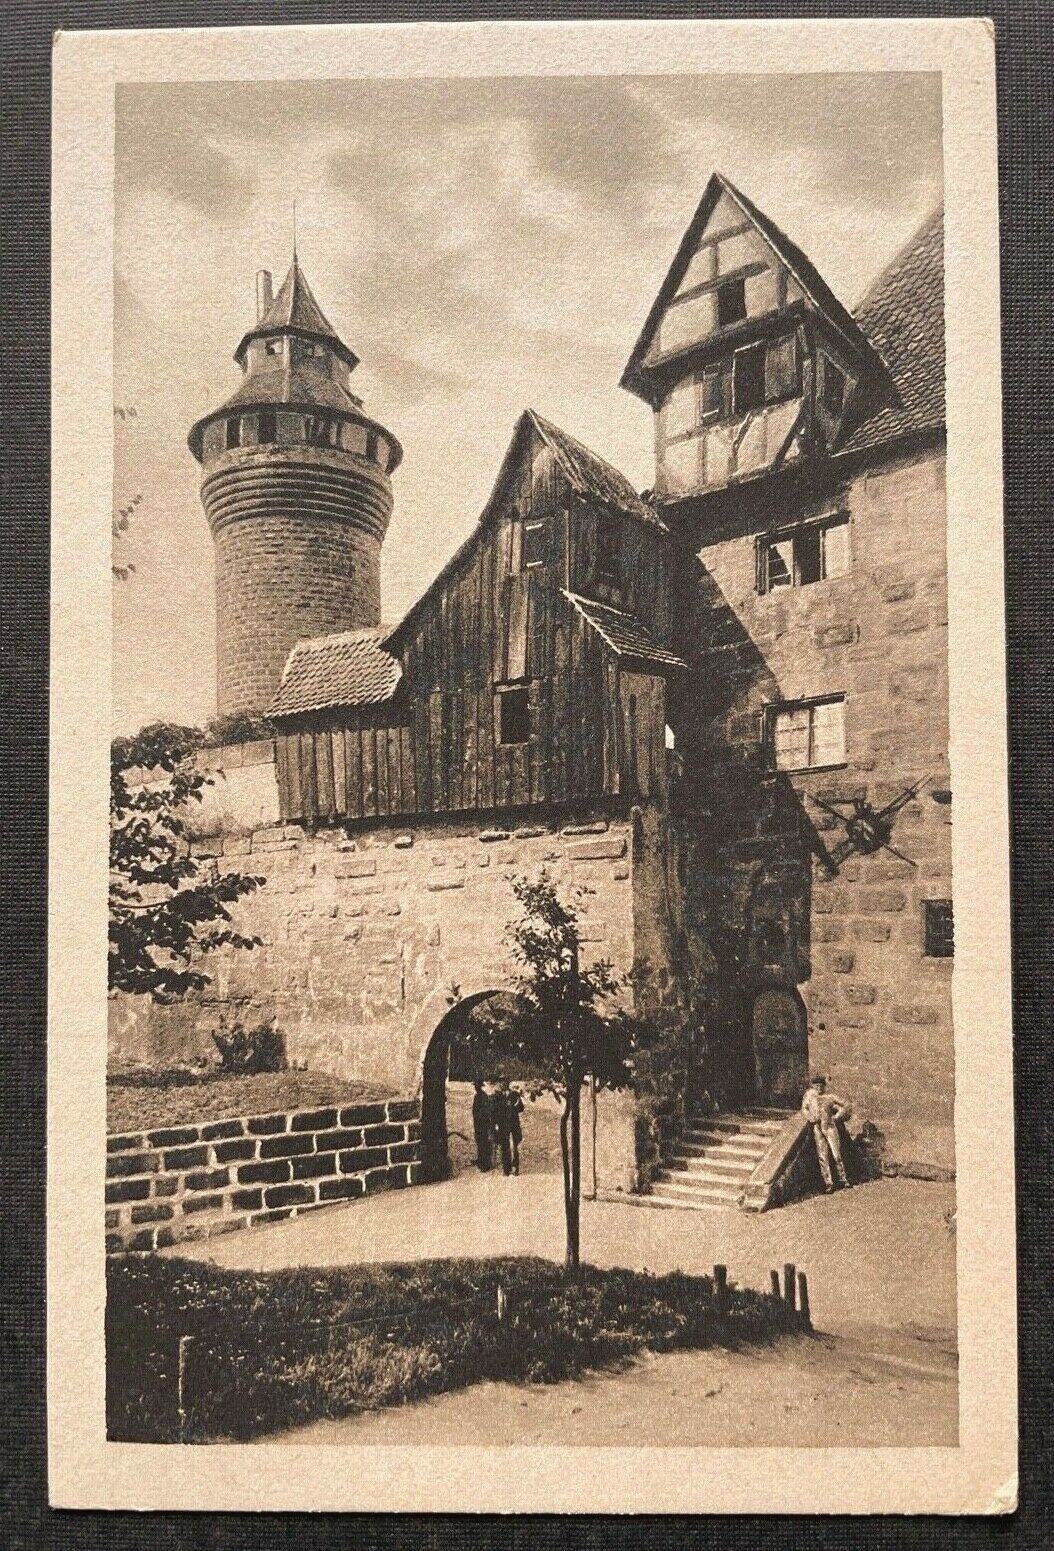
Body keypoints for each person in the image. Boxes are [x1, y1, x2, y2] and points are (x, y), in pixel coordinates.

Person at [801, 1073, 851, 1192]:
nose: (819, 1088)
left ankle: (843, 1179)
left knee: (836, 1154)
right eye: (816, 1086)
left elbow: (846, 1105)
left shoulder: (830, 1097)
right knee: (822, 1156)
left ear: (824, 1086)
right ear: (814, 1086)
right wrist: (811, 1118)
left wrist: (837, 1117)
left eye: (821, 1086)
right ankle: (829, 1183)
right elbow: (804, 1109)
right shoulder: (810, 1098)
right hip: (817, 1128)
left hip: (829, 1127)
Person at [494, 1078, 525, 1177]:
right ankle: (506, 1169)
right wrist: (496, 1123)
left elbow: (521, 1108)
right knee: (504, 1146)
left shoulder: (514, 1095)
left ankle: (515, 1168)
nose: (502, 1084)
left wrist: (514, 1106)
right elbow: (495, 1111)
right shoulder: (498, 1096)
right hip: (503, 1124)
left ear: (507, 1084)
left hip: (513, 1124)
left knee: (514, 1146)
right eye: (501, 1082)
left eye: (504, 1082)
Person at [471, 1079, 493, 1171]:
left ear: (479, 1086)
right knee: (479, 1142)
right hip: (478, 1123)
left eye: (476, 1085)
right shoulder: (477, 1096)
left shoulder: (483, 1096)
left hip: (483, 1123)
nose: (475, 1087)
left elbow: (486, 1111)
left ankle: (485, 1164)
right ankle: (481, 1160)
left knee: (483, 1142)